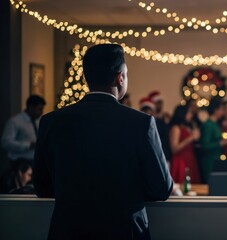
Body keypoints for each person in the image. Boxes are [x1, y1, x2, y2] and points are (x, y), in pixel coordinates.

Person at [33, 44, 173, 240]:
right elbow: (161, 188)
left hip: (68, 231)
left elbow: (42, 187)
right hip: (124, 231)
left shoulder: (51, 122)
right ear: (120, 77)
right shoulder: (141, 123)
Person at [1, 95, 46, 163]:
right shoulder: (14, 122)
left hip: (37, 161)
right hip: (20, 162)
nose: (41, 112)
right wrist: (28, 145)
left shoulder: (39, 121)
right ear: (31, 107)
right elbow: (6, 143)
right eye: (39, 109)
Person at [199, 99, 227, 183]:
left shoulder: (216, 124)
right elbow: (205, 145)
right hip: (209, 161)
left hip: (216, 159)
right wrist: (220, 143)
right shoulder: (208, 125)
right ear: (216, 110)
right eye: (222, 109)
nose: (223, 112)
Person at [169, 105, 201, 184]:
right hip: (181, 161)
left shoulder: (188, 127)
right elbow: (174, 149)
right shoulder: (176, 128)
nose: (191, 115)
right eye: (189, 112)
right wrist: (191, 138)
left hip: (190, 159)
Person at [139, 96, 172, 162]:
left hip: (162, 156)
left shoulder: (161, 122)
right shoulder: (139, 125)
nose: (148, 114)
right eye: (145, 111)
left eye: (149, 111)